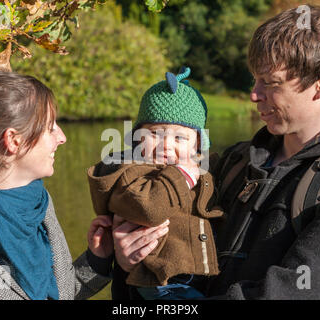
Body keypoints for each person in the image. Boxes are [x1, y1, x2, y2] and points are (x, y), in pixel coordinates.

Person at [111, 5, 320, 299]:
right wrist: (135, 266)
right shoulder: (234, 163)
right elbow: (184, 273)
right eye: (255, 79)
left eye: (270, 82)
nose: (254, 94)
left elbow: (303, 293)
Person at [0, 71, 115, 300]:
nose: (62, 137)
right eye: (50, 128)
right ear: (14, 141)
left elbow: (57, 293)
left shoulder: (40, 206)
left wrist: (98, 259)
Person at [87, 67, 224, 299]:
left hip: (195, 278)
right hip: (158, 281)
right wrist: (181, 177)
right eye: (154, 134)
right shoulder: (129, 173)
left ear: (198, 144)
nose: (166, 145)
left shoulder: (201, 169)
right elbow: (147, 208)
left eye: (179, 137)